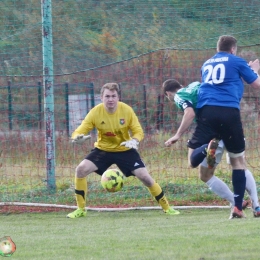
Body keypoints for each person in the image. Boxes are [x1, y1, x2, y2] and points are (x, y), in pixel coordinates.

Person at [66, 82, 180, 218]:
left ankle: (167, 208)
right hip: (103, 150)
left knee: (145, 177)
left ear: (118, 97)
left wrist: (135, 140)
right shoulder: (95, 112)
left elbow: (138, 131)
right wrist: (76, 137)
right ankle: (81, 209)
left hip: (125, 149)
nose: (110, 99)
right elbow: (80, 130)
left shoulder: (126, 110)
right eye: (107, 96)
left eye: (113, 96)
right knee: (80, 169)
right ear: (101, 98)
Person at [162, 79, 260, 217]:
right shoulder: (196, 84)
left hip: (210, 128)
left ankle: (235, 200)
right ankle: (256, 206)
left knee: (201, 171)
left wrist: (177, 135)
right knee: (239, 165)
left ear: (168, 93)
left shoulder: (179, 96)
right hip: (231, 121)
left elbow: (189, 113)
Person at [189, 35, 260, 219]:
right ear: (233, 49)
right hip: (229, 113)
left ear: (217, 49)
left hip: (207, 113)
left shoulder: (206, 64)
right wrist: (254, 70)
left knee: (192, 161)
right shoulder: (237, 61)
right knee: (238, 162)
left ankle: (205, 149)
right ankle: (238, 207)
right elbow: (256, 84)